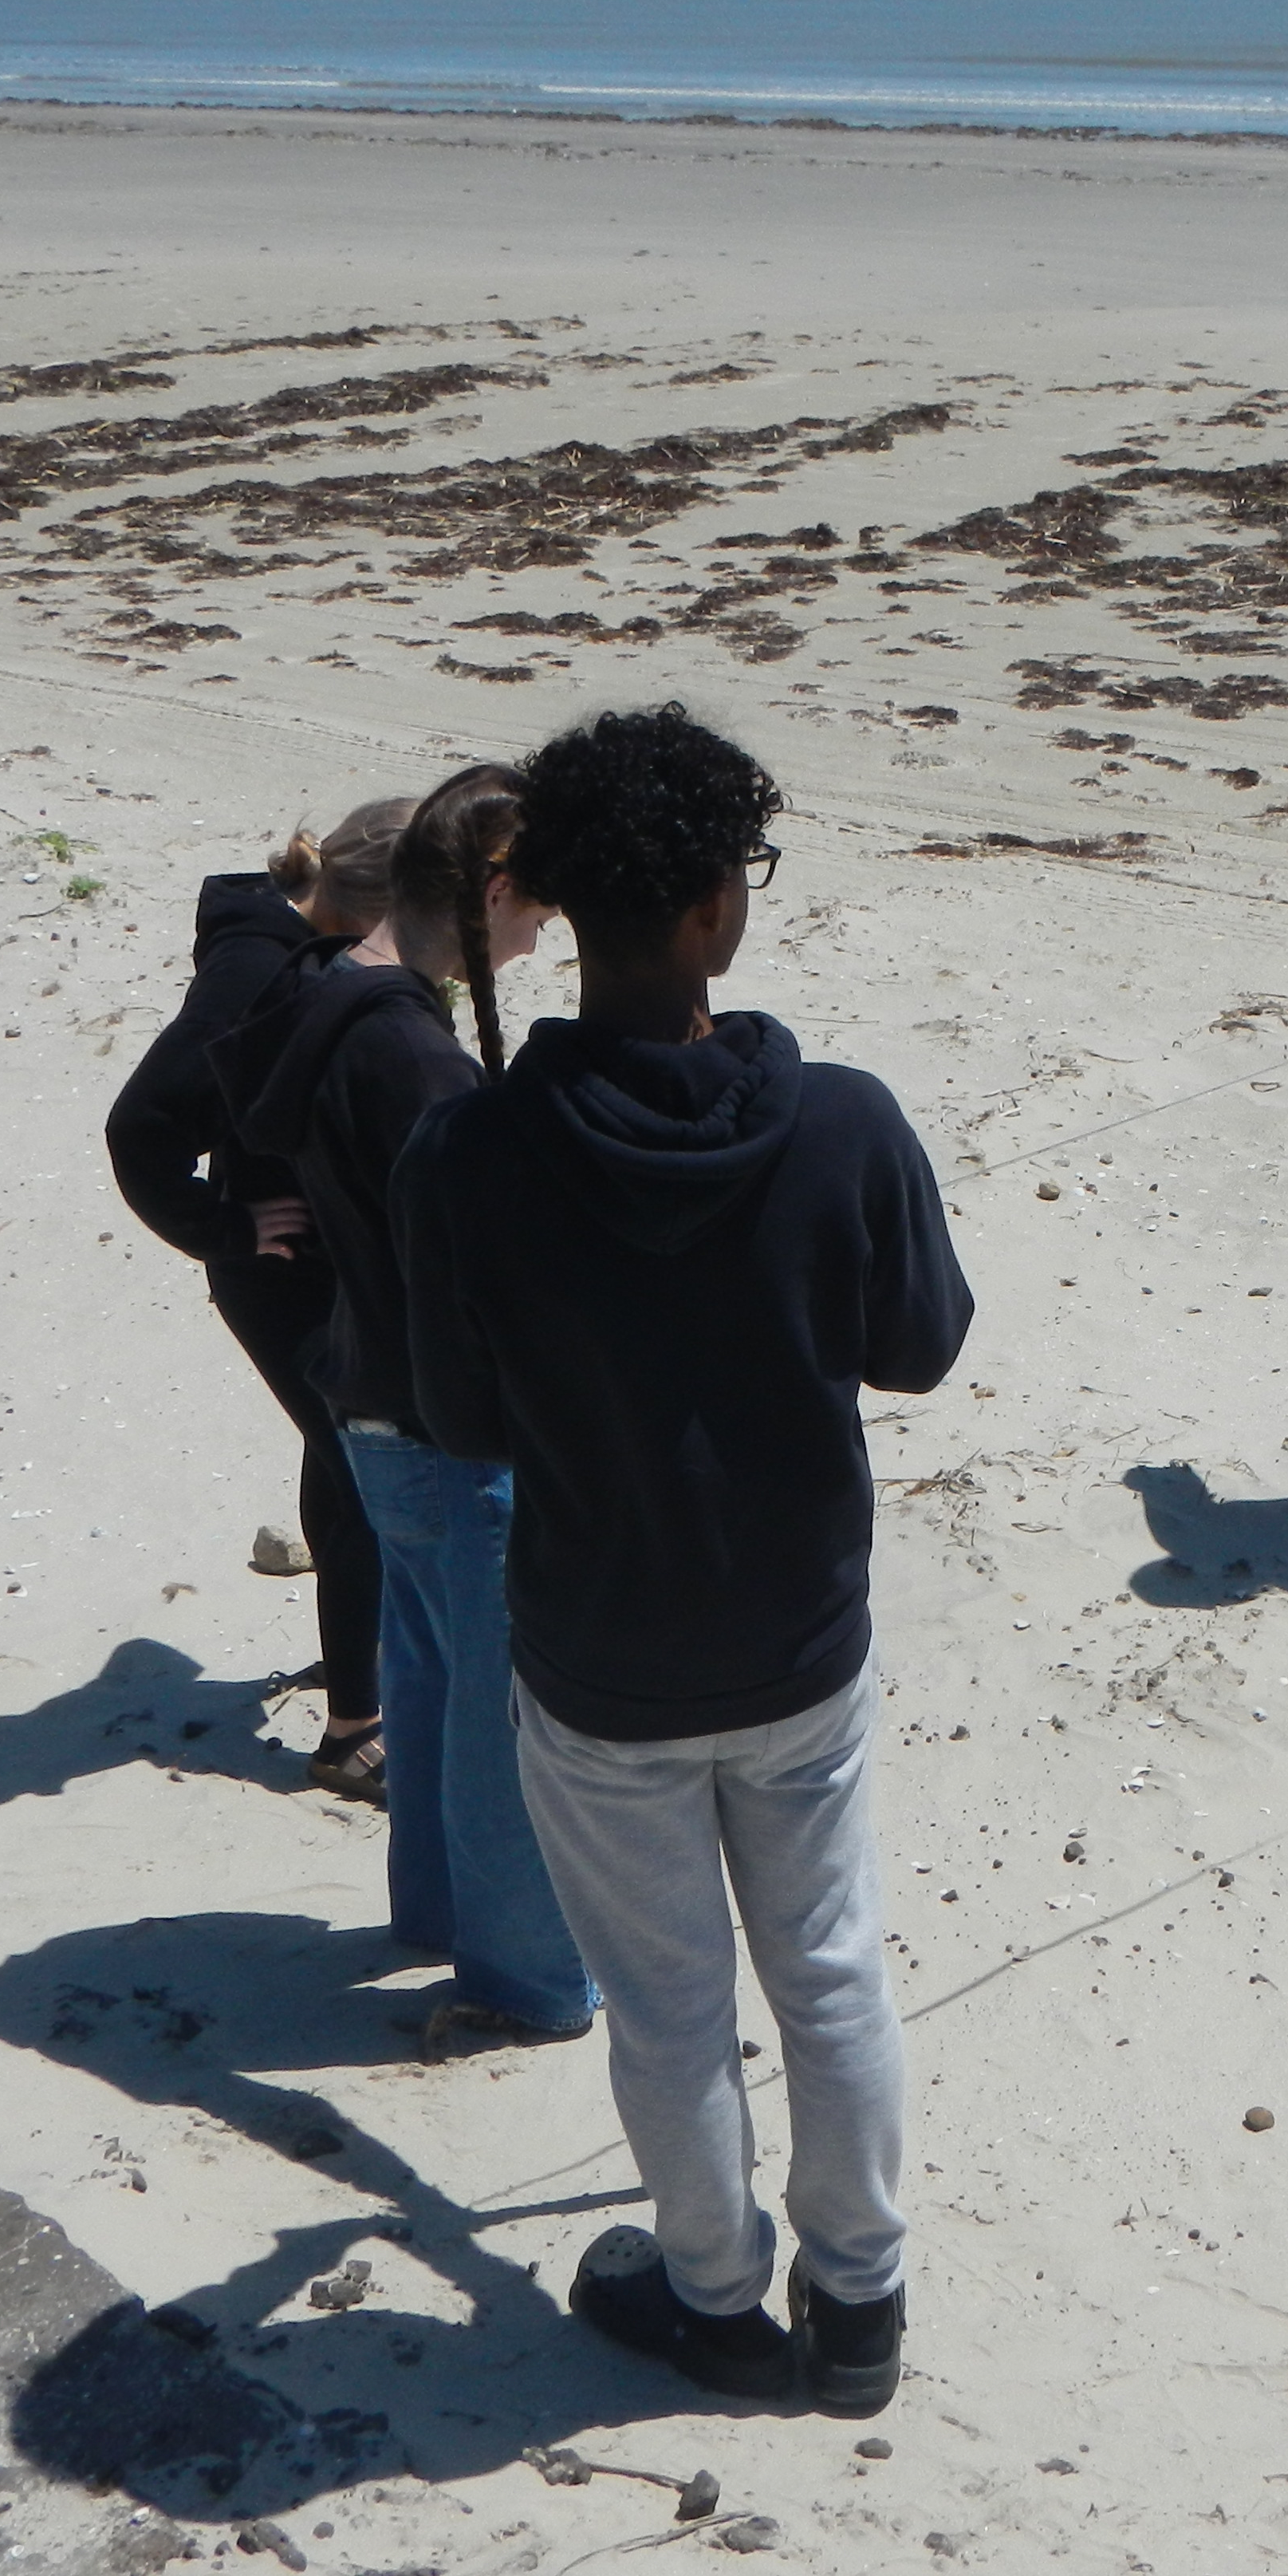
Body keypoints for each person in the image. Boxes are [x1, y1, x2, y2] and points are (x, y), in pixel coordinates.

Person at [396, 704, 970, 2415]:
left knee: (667, 2008)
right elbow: (922, 1345)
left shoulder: (471, 1150)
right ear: (719, 907)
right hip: (793, 1644)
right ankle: (854, 2307)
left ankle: (719, 2300)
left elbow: (458, 1413)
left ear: (564, 909)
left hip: (600, 1660)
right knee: (831, 1970)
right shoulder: (844, 1123)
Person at [211, 766, 600, 2040]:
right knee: (501, 1712)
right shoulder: (408, 1049)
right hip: (441, 1421)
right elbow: (488, 1261)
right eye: (537, 911)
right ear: (489, 892)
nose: (543, 937)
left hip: (369, 1402)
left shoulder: (328, 997)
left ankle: (433, 1912)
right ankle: (529, 1978)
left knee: (430, 1671)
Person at [103, 800, 408, 1799]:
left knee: (339, 1453)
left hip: (315, 1260)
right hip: (273, 1272)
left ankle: (352, 1654)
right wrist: (228, 1227)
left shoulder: (291, 942)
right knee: (362, 1467)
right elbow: (139, 1128)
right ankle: (354, 1734)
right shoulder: (254, 971)